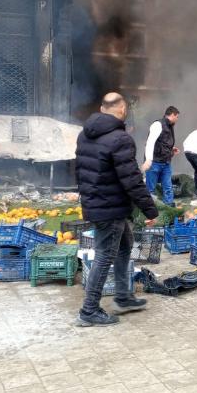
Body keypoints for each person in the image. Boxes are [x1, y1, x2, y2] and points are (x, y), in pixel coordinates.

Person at [74, 93, 159, 327]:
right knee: (104, 256)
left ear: (102, 109)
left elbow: (80, 170)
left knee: (125, 244)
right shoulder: (120, 139)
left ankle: (123, 297)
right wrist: (150, 210)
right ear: (122, 110)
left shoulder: (84, 135)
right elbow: (131, 179)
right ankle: (89, 310)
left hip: (95, 202)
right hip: (109, 207)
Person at [142, 106, 180, 206]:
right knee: (150, 189)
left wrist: (171, 149)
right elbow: (150, 142)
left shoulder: (169, 126)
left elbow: (162, 142)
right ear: (172, 115)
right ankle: (150, 209)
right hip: (154, 163)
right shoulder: (158, 124)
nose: (177, 119)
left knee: (168, 187)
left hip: (166, 163)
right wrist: (148, 160)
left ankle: (169, 206)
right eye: (177, 117)